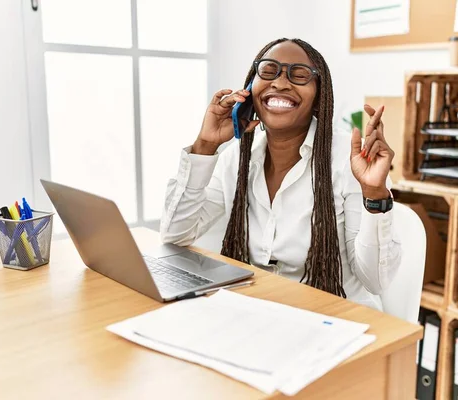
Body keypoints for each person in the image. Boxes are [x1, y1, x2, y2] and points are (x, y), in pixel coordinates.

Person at [160, 38, 401, 311]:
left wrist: (374, 193)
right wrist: (206, 144)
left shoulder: (350, 160)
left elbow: (374, 282)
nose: (280, 83)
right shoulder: (238, 157)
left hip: (336, 317)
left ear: (319, 96)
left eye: (299, 75)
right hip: (262, 313)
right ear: (250, 90)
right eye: (268, 70)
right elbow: (175, 235)